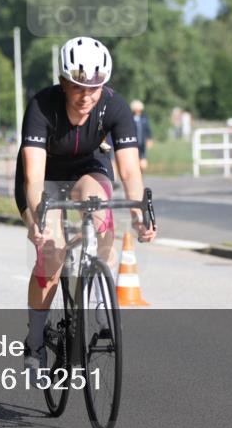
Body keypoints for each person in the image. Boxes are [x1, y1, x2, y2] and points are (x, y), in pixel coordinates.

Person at [15, 36, 156, 379]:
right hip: (44, 176)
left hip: (87, 169)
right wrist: (37, 220)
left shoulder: (114, 106)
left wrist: (138, 213)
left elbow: (129, 170)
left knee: (101, 213)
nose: (86, 95)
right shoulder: (41, 106)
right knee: (51, 255)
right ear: (63, 82)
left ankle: (92, 303)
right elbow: (33, 177)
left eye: (94, 87)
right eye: (78, 86)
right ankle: (34, 342)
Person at [130, 99, 153, 172]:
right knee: (135, 161)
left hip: (142, 143)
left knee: (143, 163)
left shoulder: (144, 118)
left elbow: (148, 130)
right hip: (133, 142)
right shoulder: (130, 117)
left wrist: (149, 139)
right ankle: (137, 173)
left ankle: (140, 173)